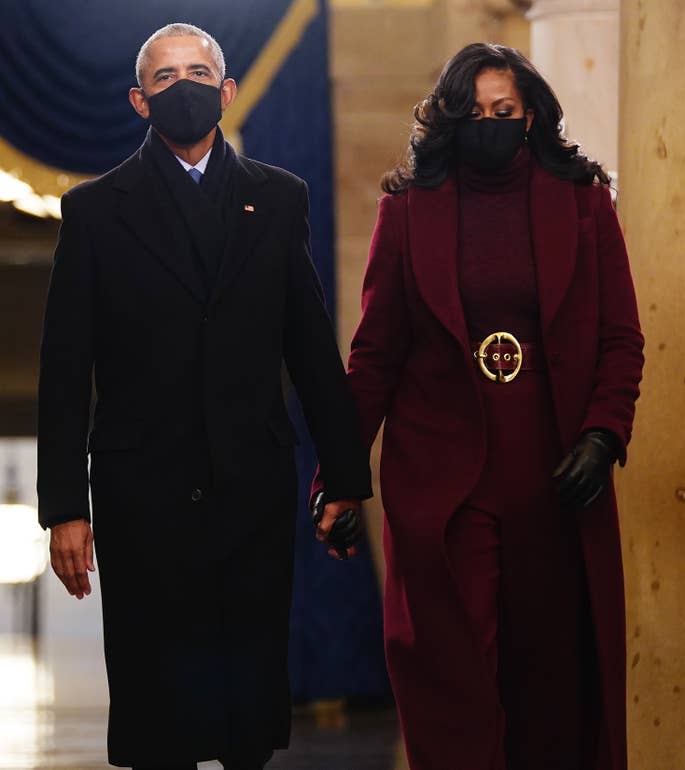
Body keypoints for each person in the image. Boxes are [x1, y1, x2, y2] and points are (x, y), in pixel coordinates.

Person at [37, 22, 371, 770]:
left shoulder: (279, 199)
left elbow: (311, 349)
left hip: (250, 486)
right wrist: (65, 507)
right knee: (161, 710)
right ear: (139, 100)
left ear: (226, 92)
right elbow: (63, 371)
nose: (181, 86)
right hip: (141, 494)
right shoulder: (95, 212)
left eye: (197, 73)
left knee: (248, 703)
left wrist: (345, 479)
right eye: (164, 77)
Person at [320, 43, 644, 770]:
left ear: (532, 116)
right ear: (445, 121)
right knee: (454, 686)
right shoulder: (407, 211)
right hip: (444, 488)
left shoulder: (585, 202)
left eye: (504, 112)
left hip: (555, 483)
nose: (489, 124)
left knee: (552, 693)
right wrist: (337, 478)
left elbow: (622, 340)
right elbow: (374, 357)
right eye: (471, 114)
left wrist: (604, 434)